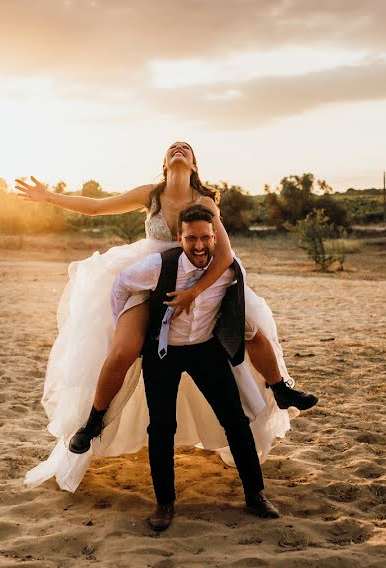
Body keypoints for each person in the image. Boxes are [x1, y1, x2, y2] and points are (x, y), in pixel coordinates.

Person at [18, 141, 317, 492]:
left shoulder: (204, 202)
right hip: (151, 276)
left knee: (251, 326)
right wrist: (49, 197)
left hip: (197, 275)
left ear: (193, 164)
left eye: (185, 148)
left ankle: (281, 389)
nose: (178, 149)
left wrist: (196, 291)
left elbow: (224, 256)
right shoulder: (151, 195)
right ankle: (94, 420)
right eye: (172, 147)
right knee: (123, 350)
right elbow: (97, 207)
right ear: (164, 163)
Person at [112, 204, 279, 530]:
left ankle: (255, 494)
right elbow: (121, 283)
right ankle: (164, 504)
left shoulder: (229, 269)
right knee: (161, 428)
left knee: (235, 418)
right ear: (179, 237)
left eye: (205, 237)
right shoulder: (157, 266)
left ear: (215, 237)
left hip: (206, 351)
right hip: (163, 353)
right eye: (191, 239)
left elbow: (239, 310)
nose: (199, 245)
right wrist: (124, 328)